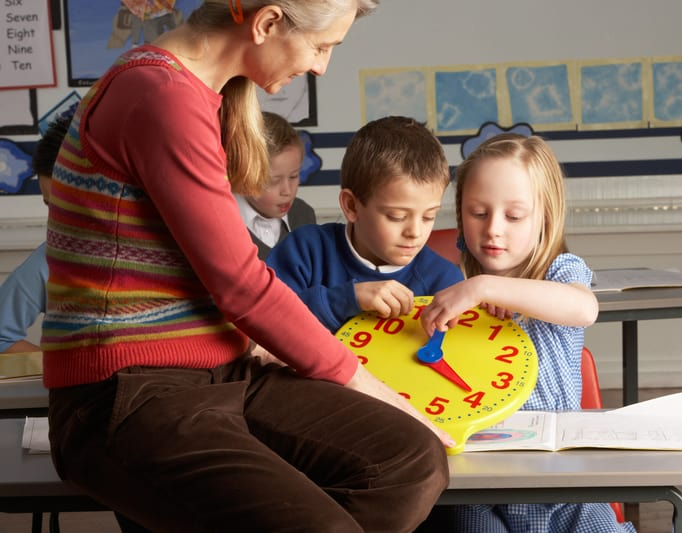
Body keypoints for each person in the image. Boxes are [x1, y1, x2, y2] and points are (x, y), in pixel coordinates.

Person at [42, 2, 454, 532]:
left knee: (410, 462)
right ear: (267, 23)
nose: (321, 66)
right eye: (321, 47)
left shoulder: (201, 95)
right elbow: (242, 286)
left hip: (221, 371)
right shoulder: (159, 95)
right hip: (127, 389)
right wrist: (373, 388)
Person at [418, 134, 636, 532]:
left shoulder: (560, 271)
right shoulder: (450, 287)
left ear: (545, 219)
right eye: (478, 213)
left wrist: (487, 287)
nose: (493, 229)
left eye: (514, 216)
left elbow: (584, 309)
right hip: (480, 486)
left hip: (564, 483)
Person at [267, 115, 464, 333]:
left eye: (429, 217)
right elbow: (266, 320)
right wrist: (348, 299)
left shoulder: (446, 282)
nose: (415, 232)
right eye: (397, 216)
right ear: (351, 206)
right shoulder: (304, 251)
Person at [0, 114, 70, 354]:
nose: (55, 221)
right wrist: (56, 367)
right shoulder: (47, 260)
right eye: (50, 206)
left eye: (68, 207)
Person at [235, 111, 316, 260]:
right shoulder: (222, 222)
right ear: (243, 176)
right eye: (274, 181)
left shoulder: (304, 214)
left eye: (294, 176)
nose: (287, 191)